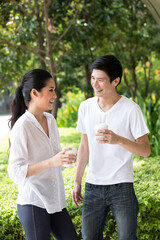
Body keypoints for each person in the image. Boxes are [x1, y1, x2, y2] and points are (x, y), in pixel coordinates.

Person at [72, 55, 151, 240]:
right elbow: (84, 146)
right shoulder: (85, 107)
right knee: (89, 236)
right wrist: (77, 181)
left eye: (101, 80)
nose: (95, 84)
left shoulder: (131, 109)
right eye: (93, 78)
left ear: (115, 81)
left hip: (122, 186)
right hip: (93, 185)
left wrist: (118, 140)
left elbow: (145, 151)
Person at [8, 69, 79, 240]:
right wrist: (51, 161)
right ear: (34, 93)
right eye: (50, 90)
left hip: (55, 200)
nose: (55, 95)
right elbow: (15, 172)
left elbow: (55, 160)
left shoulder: (50, 120)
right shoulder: (22, 126)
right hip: (33, 201)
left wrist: (63, 158)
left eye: (54, 89)